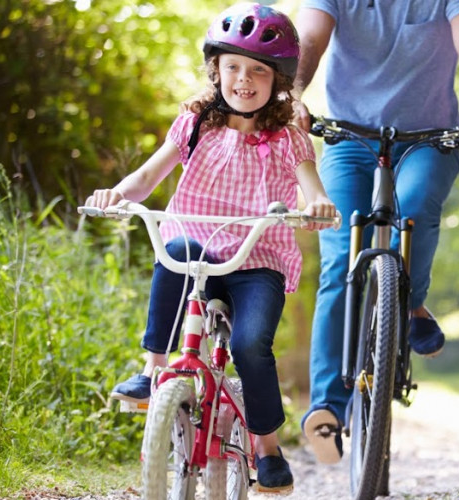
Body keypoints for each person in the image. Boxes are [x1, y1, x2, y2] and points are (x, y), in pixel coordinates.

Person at [88, 3, 337, 492]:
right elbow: (146, 177)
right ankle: (154, 369)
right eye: (233, 67)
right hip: (198, 252)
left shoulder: (288, 139)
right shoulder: (195, 124)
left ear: (279, 80)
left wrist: (320, 206)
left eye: (258, 71)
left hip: (256, 261)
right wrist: (117, 194)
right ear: (216, 70)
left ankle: (266, 449)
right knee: (173, 247)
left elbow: (314, 189)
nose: (244, 79)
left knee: (249, 345)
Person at [291, 0, 459, 464]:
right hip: (348, 138)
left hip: (427, 139)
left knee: (413, 209)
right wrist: (292, 94)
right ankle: (326, 409)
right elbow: (310, 38)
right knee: (339, 259)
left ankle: (408, 302)